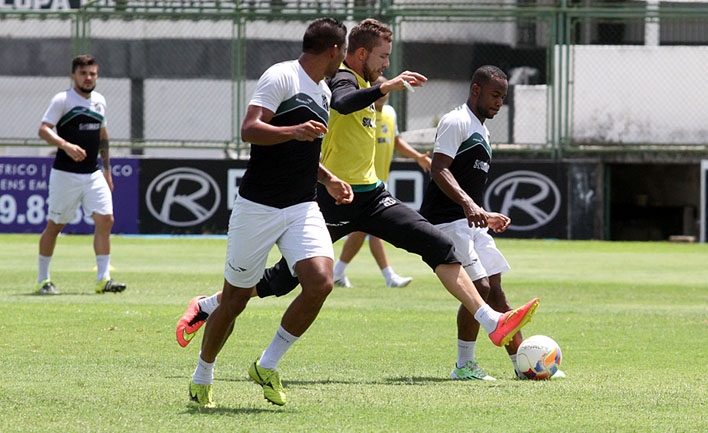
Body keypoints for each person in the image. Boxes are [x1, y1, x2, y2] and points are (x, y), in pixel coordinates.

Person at [179, 19, 539, 407]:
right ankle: (210, 305)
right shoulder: (338, 81)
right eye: (383, 57)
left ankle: (491, 320)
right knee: (280, 282)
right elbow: (343, 101)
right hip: (329, 203)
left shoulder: (350, 87)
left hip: (368, 196)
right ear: (359, 53)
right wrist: (384, 86)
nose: (387, 64)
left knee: (437, 243)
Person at [187, 17, 352, 408]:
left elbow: (305, 150)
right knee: (234, 300)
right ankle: (202, 375)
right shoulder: (280, 76)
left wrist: (327, 179)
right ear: (333, 50)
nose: (343, 60)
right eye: (343, 53)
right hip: (257, 207)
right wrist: (292, 131)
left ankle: (267, 364)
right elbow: (249, 129)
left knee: (320, 282)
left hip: (301, 205)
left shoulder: (325, 90)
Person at [420, 65, 564, 380]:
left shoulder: (481, 128)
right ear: (476, 90)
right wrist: (470, 205)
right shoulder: (456, 121)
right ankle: (464, 366)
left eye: (503, 97)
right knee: (480, 288)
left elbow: (466, 181)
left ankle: (523, 365)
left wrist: (484, 213)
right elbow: (439, 168)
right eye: (494, 95)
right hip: (446, 221)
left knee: (496, 290)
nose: (499, 102)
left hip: (470, 222)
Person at [36, 55, 126, 295]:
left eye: (93, 74)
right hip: (65, 174)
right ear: (73, 76)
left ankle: (103, 279)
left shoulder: (99, 101)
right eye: (84, 74)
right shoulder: (62, 100)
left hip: (93, 173)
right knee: (55, 225)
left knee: (106, 220)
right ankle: (43, 280)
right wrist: (65, 145)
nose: (89, 78)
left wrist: (107, 170)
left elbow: (103, 136)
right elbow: (43, 129)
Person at [333, 74, 432, 289]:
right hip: (357, 180)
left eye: (383, 88)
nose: (381, 94)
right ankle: (387, 276)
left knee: (362, 230)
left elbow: (396, 141)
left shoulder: (390, 114)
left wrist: (417, 157)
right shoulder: (358, 110)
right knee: (367, 229)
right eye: (376, 88)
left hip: (378, 181)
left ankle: (337, 272)